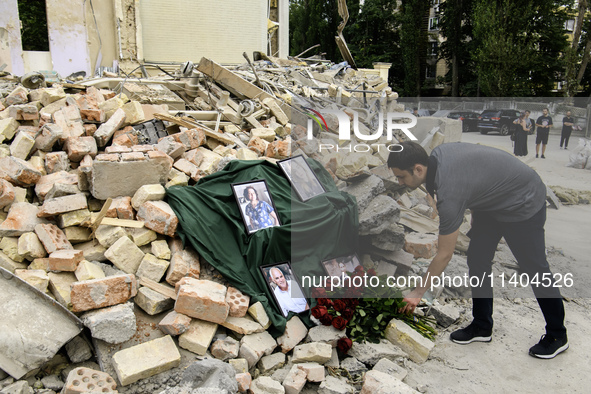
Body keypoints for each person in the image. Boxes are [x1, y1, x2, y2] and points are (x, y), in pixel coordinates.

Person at [388, 141, 568, 359]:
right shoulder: (437, 157)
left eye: (401, 177)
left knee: (535, 268)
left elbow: (445, 254)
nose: (399, 182)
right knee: (477, 259)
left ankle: (558, 335)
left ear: (418, 169)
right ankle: (482, 325)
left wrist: (417, 293)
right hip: (492, 204)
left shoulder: (450, 191)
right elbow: (477, 173)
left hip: (523, 201)